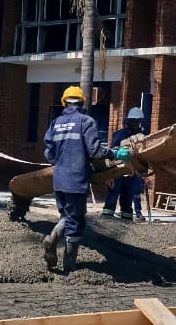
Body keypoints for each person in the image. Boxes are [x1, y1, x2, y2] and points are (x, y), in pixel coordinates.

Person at [42, 85, 129, 273]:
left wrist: (63, 160)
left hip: (59, 179)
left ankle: (55, 238)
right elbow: (95, 151)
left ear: (64, 102)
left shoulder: (55, 123)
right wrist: (115, 153)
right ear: (82, 102)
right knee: (75, 221)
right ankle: (68, 262)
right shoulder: (85, 121)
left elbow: (48, 153)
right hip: (76, 180)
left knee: (66, 215)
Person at [102, 107, 146, 220]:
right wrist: (109, 175)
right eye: (134, 121)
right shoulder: (120, 134)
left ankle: (126, 219)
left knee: (128, 197)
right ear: (128, 122)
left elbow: (142, 156)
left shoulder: (141, 136)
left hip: (131, 173)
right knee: (113, 196)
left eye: (138, 121)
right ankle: (107, 218)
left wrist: (143, 173)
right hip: (118, 171)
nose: (136, 124)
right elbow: (111, 153)